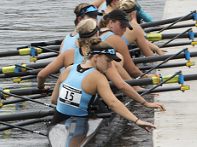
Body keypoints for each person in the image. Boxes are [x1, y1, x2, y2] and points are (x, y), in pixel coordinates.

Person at [37, 19, 165, 112]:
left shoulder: (67, 54)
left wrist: (42, 88)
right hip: (88, 103)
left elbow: (41, 75)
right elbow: (121, 84)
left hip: (64, 100)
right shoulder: (101, 58)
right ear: (97, 35)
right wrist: (145, 101)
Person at [48, 41, 157, 131]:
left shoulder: (69, 69)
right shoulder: (98, 77)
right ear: (96, 57)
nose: (110, 65)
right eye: (108, 61)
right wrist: (137, 120)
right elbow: (113, 103)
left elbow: (53, 100)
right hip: (79, 126)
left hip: (57, 122)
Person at [96, 9, 146, 78]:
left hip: (91, 72)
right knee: (119, 57)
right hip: (100, 75)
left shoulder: (99, 31)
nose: (124, 29)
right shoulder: (117, 40)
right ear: (110, 23)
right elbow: (132, 71)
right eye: (122, 25)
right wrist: (147, 77)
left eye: (125, 26)